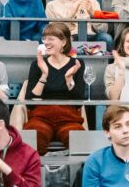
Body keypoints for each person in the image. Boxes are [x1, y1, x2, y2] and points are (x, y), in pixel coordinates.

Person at [22, 24, 87, 154]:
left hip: (68, 117)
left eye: (51, 39)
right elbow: (30, 102)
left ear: (63, 42)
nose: (46, 42)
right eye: (44, 38)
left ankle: (75, 173)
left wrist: (69, 80)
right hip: (41, 116)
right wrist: (44, 75)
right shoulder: (37, 64)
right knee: (34, 136)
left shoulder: (77, 64)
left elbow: (79, 101)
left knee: (78, 139)